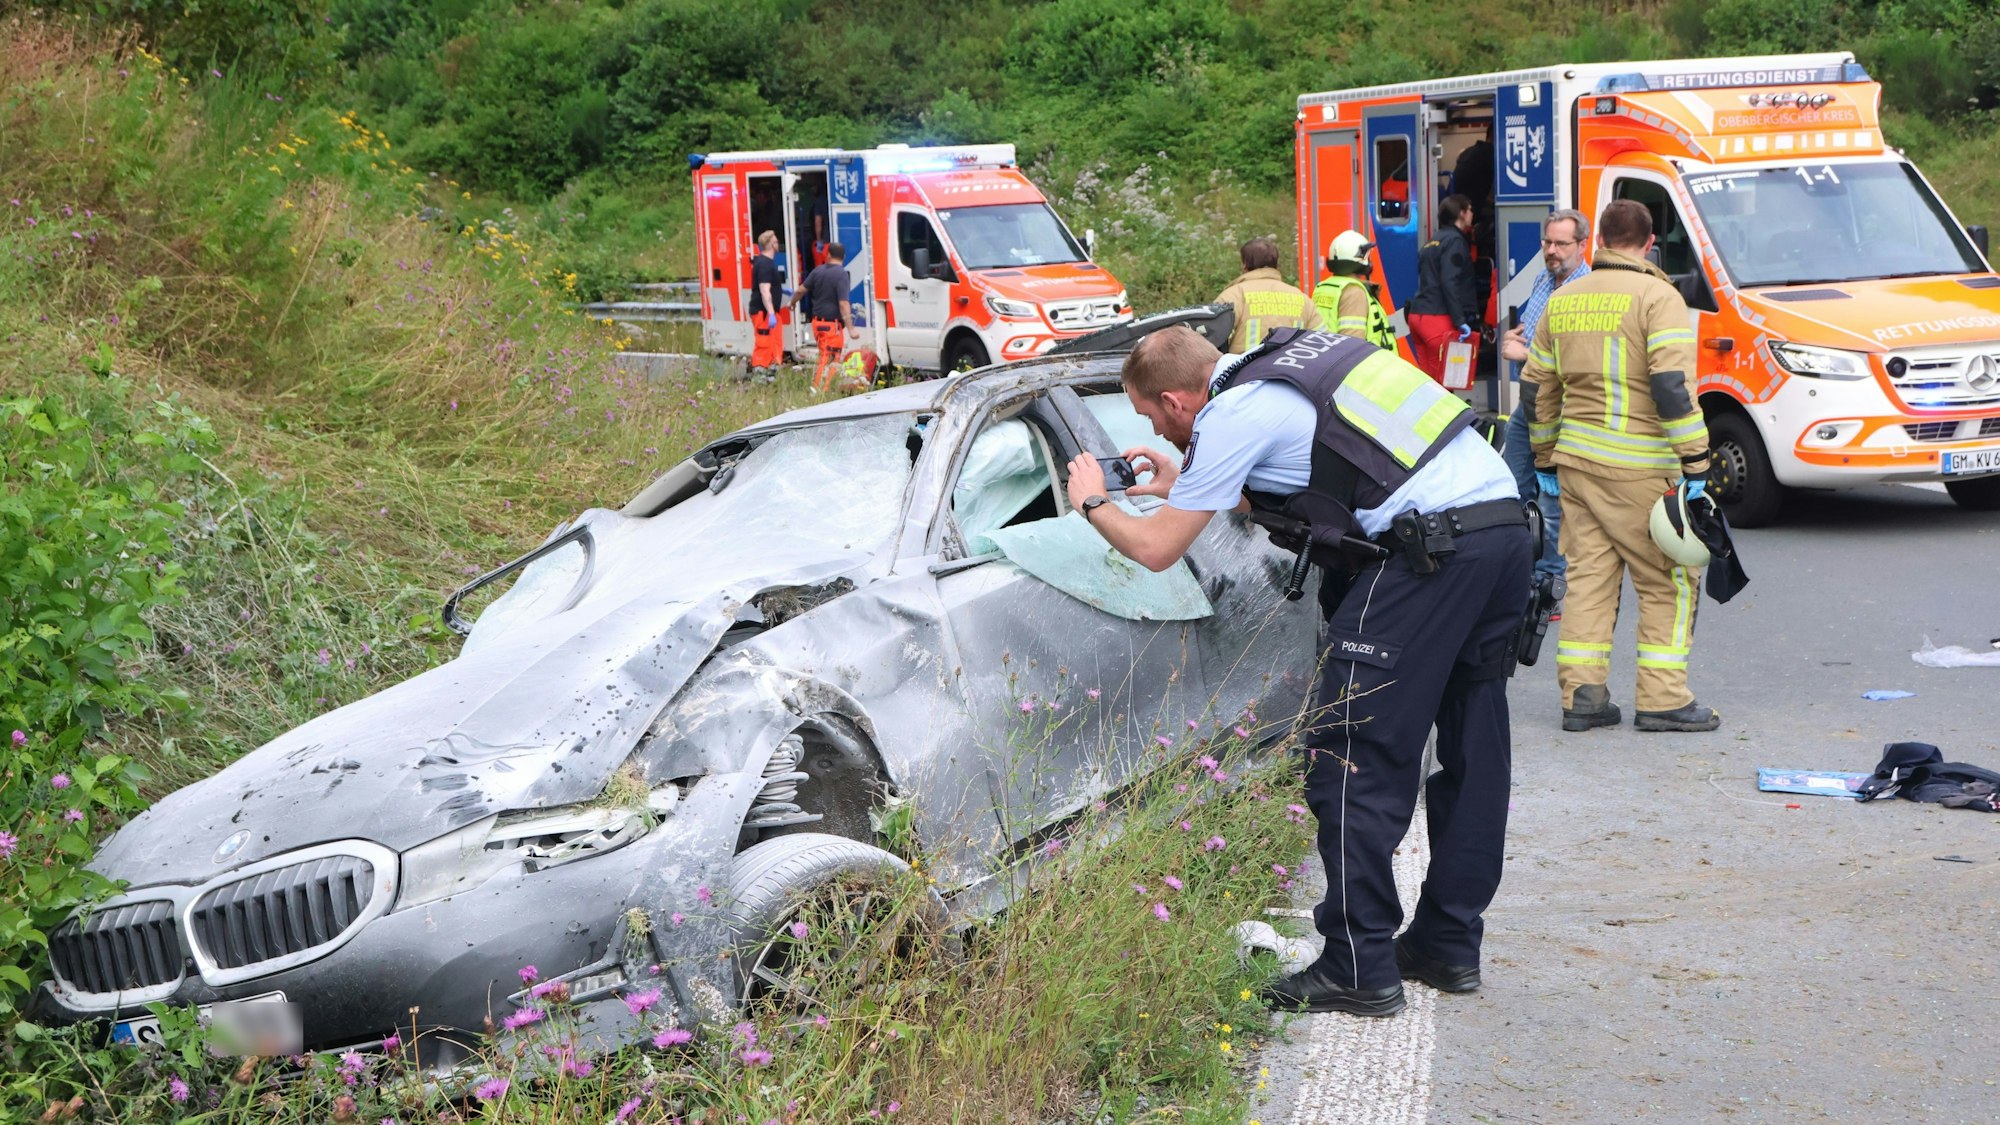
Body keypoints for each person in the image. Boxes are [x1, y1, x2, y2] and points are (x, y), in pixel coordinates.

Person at [1065, 324, 1531, 1017]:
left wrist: (1093, 500)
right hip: (1502, 532)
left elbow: (1157, 549)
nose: (1157, 433)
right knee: (1475, 748)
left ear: (1176, 401)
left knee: (1350, 756)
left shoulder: (1232, 413)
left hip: (1427, 553)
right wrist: (1190, 482)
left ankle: (1357, 966)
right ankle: (1447, 943)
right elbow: (1337, 470)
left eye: (1151, 417)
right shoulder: (1297, 362)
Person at [1521, 200, 1718, 733]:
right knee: (1669, 580)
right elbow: (1671, 388)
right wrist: (1697, 461)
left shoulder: (1563, 299)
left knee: (1589, 580)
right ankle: (1663, 699)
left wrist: (1545, 457)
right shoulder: (1659, 297)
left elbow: (1536, 389)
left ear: (1599, 240)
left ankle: (1582, 698)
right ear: (1650, 243)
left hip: (1577, 466)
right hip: (1641, 469)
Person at [1499, 208, 1593, 592]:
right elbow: (1536, 332)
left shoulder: (1587, 290)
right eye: (1547, 242)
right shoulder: (1543, 279)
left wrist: (1523, 354)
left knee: (1552, 499)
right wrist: (1516, 338)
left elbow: (1576, 359)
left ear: (1582, 245)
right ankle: (1519, 571)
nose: (1551, 250)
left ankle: (1548, 584)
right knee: (1512, 488)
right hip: (1529, 405)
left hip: (1563, 410)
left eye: (1561, 244)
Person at [1405, 195, 1480, 385]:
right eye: (1470, 210)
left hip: (1418, 316)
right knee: (1446, 381)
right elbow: (1449, 281)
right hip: (1438, 318)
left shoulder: (1433, 240)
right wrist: (1460, 320)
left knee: (1428, 381)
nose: (1472, 214)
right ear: (1461, 213)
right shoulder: (1455, 241)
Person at [1216, 237, 1324, 353]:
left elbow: (1213, 339)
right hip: (1291, 364)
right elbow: (1322, 340)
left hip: (1246, 365)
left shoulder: (1233, 296)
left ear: (1244, 264)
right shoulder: (1302, 299)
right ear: (1276, 263)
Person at [1310, 231, 1394, 350]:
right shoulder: (1354, 292)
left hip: (1326, 357)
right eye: (1366, 256)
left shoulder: (1323, 287)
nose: (1369, 261)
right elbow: (1352, 344)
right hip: (1361, 360)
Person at [789, 241, 853, 394]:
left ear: (828, 255)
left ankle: (820, 388)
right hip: (832, 325)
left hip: (817, 323)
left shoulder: (817, 271)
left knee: (824, 355)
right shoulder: (842, 274)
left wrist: (792, 303)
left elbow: (800, 291)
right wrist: (851, 328)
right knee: (831, 359)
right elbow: (843, 303)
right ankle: (821, 390)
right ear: (843, 257)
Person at [748, 230, 784, 376]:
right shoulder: (765, 264)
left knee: (773, 342)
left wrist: (781, 290)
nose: (778, 243)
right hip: (763, 313)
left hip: (766, 312)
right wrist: (771, 313)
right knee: (764, 343)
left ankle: (771, 374)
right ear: (770, 244)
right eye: (775, 241)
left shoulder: (765, 262)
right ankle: (760, 374)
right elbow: (764, 289)